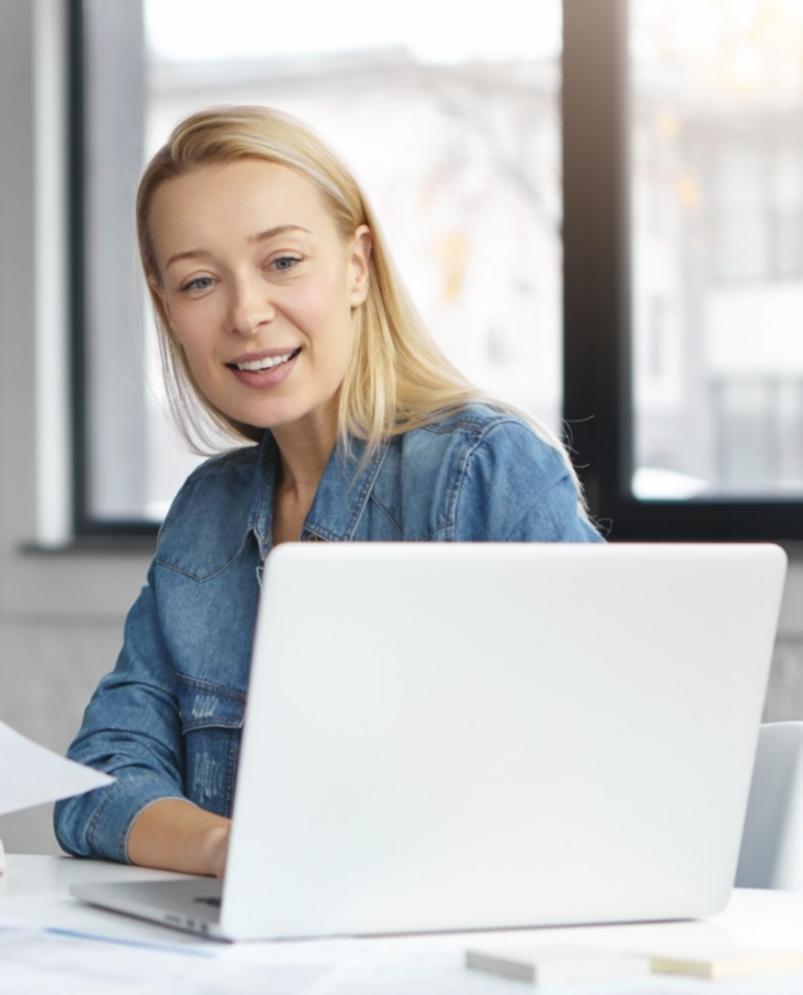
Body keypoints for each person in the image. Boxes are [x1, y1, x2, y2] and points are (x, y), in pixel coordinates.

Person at [53, 106, 602, 877]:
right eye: (199, 281)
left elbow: (604, 764)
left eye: (281, 262)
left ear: (356, 266)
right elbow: (97, 779)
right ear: (168, 307)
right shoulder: (204, 516)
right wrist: (224, 847)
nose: (245, 313)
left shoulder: (480, 469)